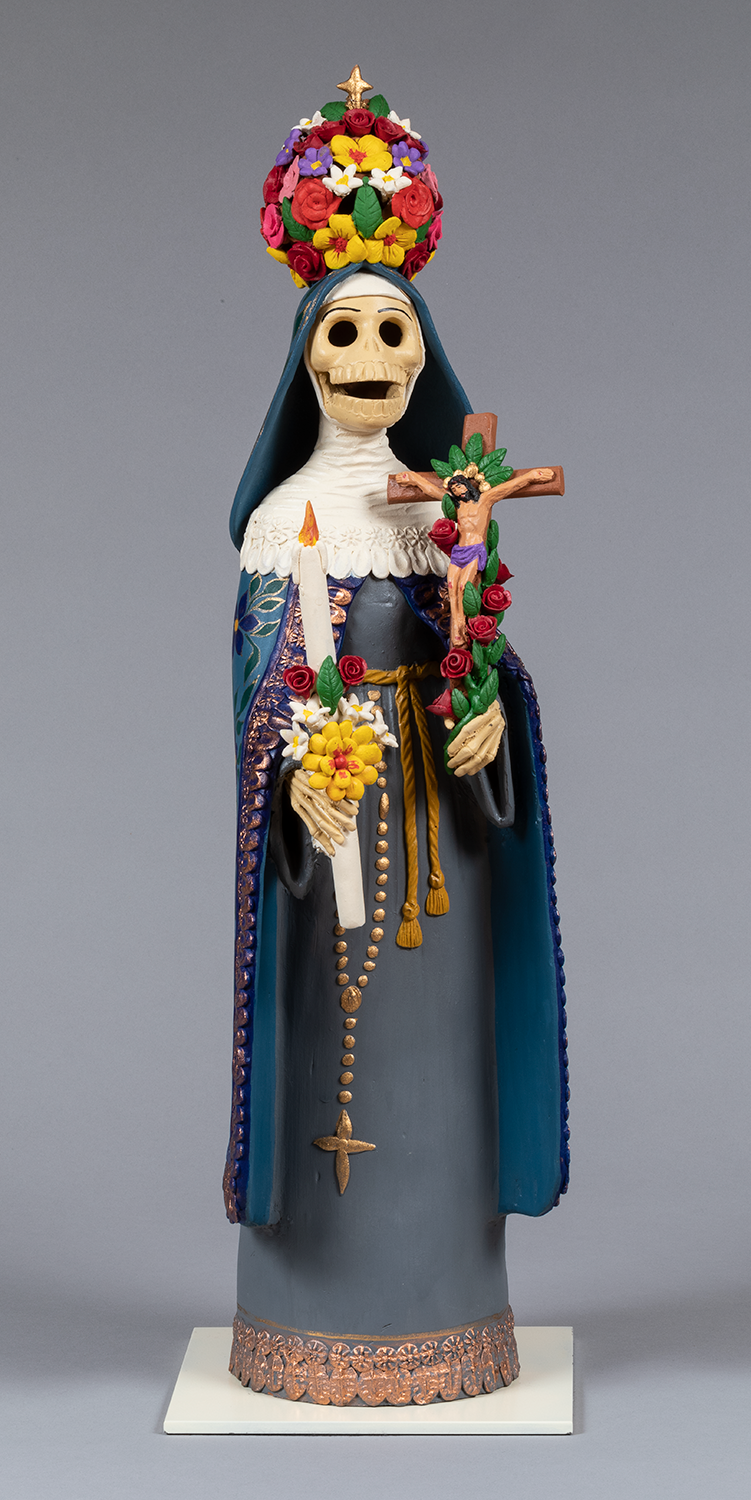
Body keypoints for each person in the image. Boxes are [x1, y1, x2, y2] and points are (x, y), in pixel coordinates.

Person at [224, 264, 569, 1406]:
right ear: (306, 361)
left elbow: (479, 655)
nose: (369, 357)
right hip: (331, 827)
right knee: (326, 1031)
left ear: (421, 356)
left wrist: (489, 722)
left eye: (391, 330)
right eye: (344, 332)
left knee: (442, 1059)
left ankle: (447, 1313)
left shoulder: (438, 514)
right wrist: (288, 784)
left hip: (442, 844)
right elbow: (257, 701)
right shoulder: (279, 526)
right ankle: (307, 1320)